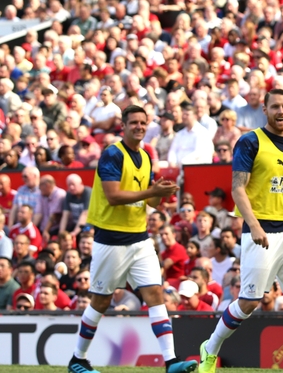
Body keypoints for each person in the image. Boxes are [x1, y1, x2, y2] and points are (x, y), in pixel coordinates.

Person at [198, 89, 283, 373]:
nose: (281, 111)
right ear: (264, 110)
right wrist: (253, 225)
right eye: (275, 106)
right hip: (261, 230)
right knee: (249, 302)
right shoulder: (250, 141)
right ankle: (211, 347)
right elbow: (237, 187)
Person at [67, 105, 197, 373]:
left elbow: (150, 200)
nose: (139, 126)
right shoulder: (112, 154)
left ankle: (170, 362)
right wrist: (150, 191)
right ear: (123, 126)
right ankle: (77, 359)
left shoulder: (146, 156)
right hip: (111, 239)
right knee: (101, 301)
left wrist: (160, 192)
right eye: (133, 122)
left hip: (139, 238)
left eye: (142, 122)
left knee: (155, 293)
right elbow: (113, 196)